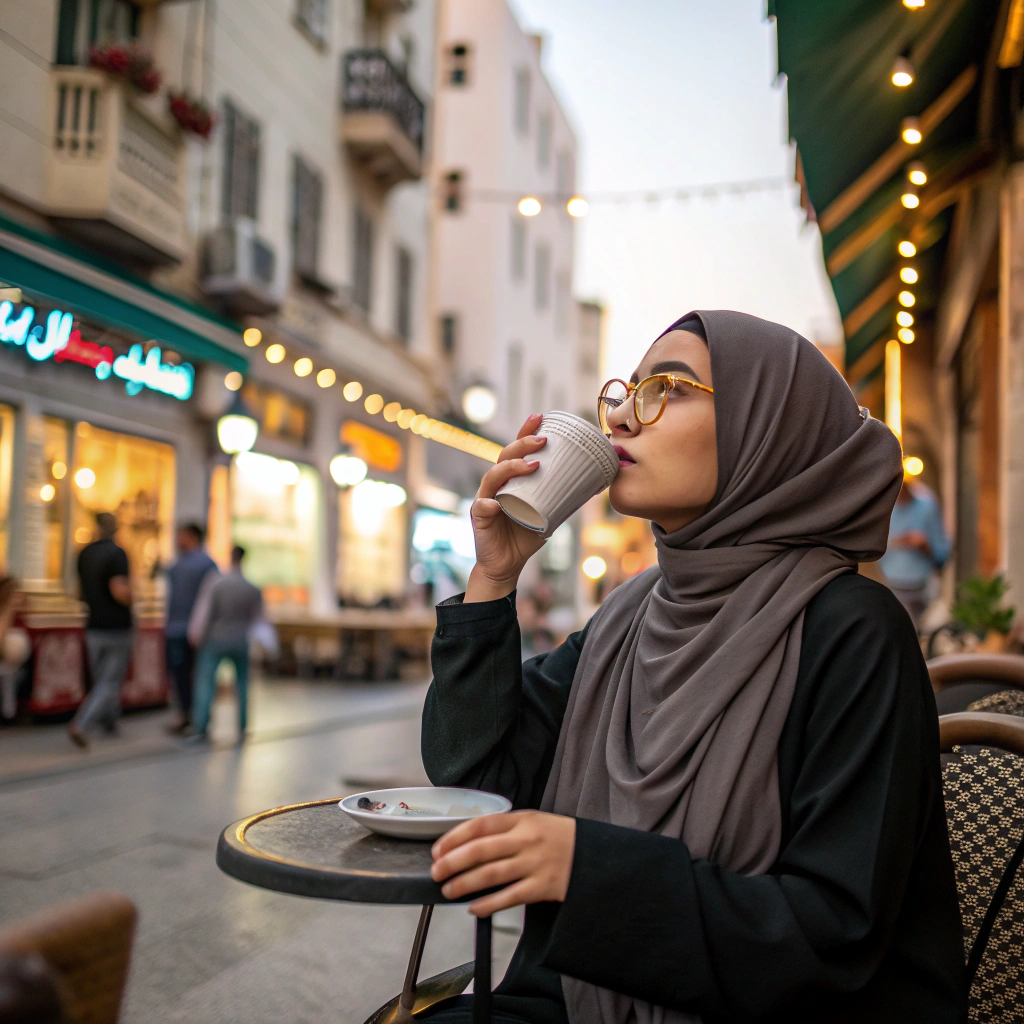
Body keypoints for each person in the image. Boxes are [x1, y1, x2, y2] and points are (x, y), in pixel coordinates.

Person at [420, 312, 966, 1023]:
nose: (621, 415)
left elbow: (835, 931)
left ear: (767, 428)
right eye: (625, 390)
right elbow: (478, 780)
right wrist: (495, 578)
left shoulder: (853, 630)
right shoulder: (632, 616)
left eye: (666, 388)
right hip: (575, 997)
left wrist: (588, 871)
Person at [68, 512, 132, 749]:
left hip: (93, 623)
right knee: (110, 681)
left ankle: (109, 722)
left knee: (102, 678)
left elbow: (78, 590)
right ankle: (81, 724)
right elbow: (119, 589)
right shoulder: (117, 553)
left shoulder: (84, 553)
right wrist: (133, 599)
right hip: (115, 625)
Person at [189, 545, 262, 742]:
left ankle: (201, 726)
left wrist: (196, 634)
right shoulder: (251, 588)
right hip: (240, 639)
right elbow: (258, 619)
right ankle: (242, 726)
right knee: (243, 684)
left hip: (216, 639)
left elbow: (205, 613)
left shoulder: (217, 584)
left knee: (206, 683)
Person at [163, 523, 218, 733]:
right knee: (184, 675)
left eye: (181, 535)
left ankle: (194, 715)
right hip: (182, 627)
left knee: (190, 674)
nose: (177, 539)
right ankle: (191, 715)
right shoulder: (187, 562)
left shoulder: (200, 564)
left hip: (189, 628)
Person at [880, 477, 951, 631]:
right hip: (892, 584)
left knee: (920, 629)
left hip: (921, 585)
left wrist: (924, 545)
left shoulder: (927, 506)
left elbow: (942, 549)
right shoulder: (884, 508)